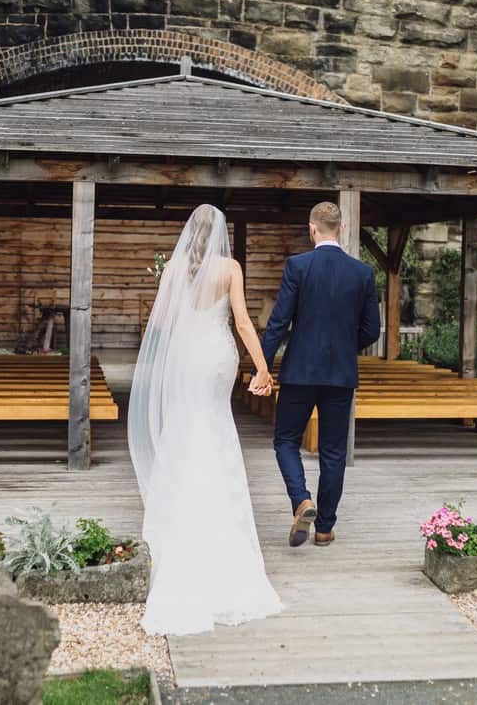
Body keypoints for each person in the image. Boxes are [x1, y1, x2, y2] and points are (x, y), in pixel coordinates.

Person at [128, 204, 283, 636]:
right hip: (217, 357)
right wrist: (263, 368)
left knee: (185, 426)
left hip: (185, 356)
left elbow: (158, 324)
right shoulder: (230, 267)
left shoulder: (175, 268)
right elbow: (243, 322)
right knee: (214, 426)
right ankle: (220, 526)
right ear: (220, 235)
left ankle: (182, 518)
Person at [256, 201, 381, 548]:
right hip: (341, 374)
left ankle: (302, 500)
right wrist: (344, 345)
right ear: (339, 229)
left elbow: (279, 322)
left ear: (312, 229)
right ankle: (324, 528)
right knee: (333, 452)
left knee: (285, 441)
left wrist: (261, 368)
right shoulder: (362, 273)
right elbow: (373, 330)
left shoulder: (298, 266)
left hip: (299, 371)